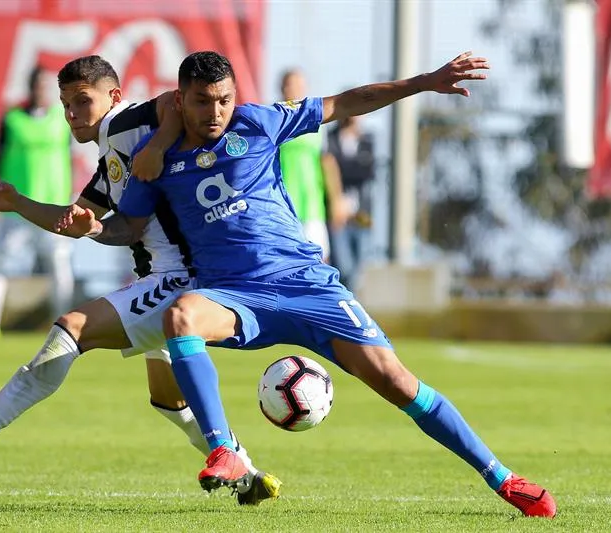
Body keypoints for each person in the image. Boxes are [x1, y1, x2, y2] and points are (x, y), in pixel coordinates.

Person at [59, 51, 556, 518]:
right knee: (181, 315)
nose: (216, 112)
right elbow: (129, 227)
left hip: (307, 285)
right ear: (180, 100)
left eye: (225, 99)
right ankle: (223, 450)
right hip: (233, 295)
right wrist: (92, 227)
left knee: (397, 382)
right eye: (203, 102)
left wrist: (424, 82)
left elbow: (348, 102)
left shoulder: (258, 122)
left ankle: (503, 478)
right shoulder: (155, 160)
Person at [0, 55, 280, 506]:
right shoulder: (113, 148)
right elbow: (79, 218)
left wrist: (156, 147)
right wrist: (17, 202)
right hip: (165, 277)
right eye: (66, 104)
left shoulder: (125, 121)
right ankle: (248, 477)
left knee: (72, 327)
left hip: (179, 277)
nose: (72, 114)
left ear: (113, 96)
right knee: (168, 400)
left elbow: (171, 104)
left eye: (82, 101)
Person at [0, 66, 75, 342]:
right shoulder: (12, 119)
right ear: (30, 87)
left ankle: (65, 327)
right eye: (38, 85)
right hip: (16, 210)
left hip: (54, 209)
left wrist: (71, 199)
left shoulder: (62, 119)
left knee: (60, 269)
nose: (41, 90)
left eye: (46, 86)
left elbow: (69, 161)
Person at [277, 69, 346, 262]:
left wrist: (336, 200)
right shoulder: (274, 120)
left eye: (300, 85)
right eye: (291, 85)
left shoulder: (316, 122)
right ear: (282, 88)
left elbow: (327, 161)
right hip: (282, 204)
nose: (295, 89)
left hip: (312, 204)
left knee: (319, 259)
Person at [326, 116, 376, 289]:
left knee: (358, 268)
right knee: (343, 266)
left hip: (361, 215)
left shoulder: (367, 140)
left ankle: (350, 301)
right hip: (338, 216)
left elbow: (367, 172)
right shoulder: (330, 138)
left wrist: (337, 167)